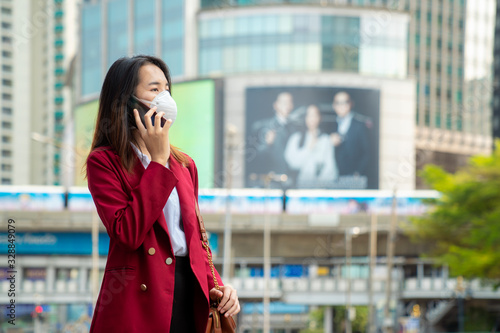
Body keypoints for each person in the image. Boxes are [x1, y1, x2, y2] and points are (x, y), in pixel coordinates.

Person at [85, 55, 239, 333]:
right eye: (154, 89)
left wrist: (218, 283)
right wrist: (157, 162)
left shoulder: (184, 165)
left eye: (167, 89)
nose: (165, 97)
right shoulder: (104, 161)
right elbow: (127, 233)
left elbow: (193, 240)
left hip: (190, 293)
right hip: (138, 298)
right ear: (126, 101)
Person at [248, 92, 297, 183]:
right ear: (276, 105)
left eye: (290, 102)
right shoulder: (263, 126)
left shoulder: (296, 127)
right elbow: (254, 157)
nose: (287, 106)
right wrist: (268, 144)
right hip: (271, 181)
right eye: (284, 102)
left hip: (292, 181)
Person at [284, 105, 337, 188]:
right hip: (300, 187)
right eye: (309, 115)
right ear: (305, 118)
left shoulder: (325, 139)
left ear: (320, 118)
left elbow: (330, 168)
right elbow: (292, 163)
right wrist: (309, 148)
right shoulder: (296, 138)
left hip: (322, 188)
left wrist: (320, 185)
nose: (312, 119)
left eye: (315, 115)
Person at [330, 91, 370, 178]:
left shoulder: (359, 125)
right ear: (334, 105)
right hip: (334, 177)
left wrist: (358, 172)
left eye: (345, 102)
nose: (341, 106)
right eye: (338, 103)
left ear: (351, 104)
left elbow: (366, 152)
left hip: (354, 177)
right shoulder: (330, 124)